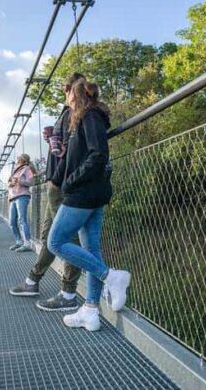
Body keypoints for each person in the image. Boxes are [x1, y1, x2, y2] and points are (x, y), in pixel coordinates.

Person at [47, 79, 131, 331]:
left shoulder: (91, 115)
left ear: (76, 94)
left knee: (56, 242)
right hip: (91, 192)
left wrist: (71, 182)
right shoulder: (80, 118)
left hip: (84, 193)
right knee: (91, 249)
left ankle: (111, 276)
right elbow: (80, 156)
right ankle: (91, 311)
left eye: (68, 92)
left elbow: (98, 155)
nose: (66, 97)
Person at [9, 73, 85, 312]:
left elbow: (75, 149)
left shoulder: (79, 111)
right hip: (55, 184)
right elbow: (64, 146)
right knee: (50, 238)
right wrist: (52, 138)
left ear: (67, 88)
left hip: (63, 185)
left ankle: (68, 292)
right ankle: (34, 280)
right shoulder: (68, 113)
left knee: (66, 238)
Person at [7, 153, 35, 252]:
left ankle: (27, 243)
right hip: (13, 197)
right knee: (11, 221)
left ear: (23, 161)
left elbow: (31, 182)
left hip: (22, 196)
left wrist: (20, 181)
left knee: (22, 219)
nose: (17, 162)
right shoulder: (15, 171)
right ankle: (19, 241)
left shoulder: (27, 169)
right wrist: (11, 183)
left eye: (19, 160)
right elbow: (10, 183)